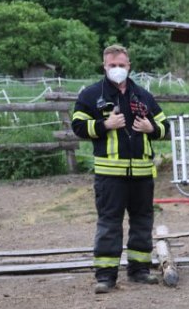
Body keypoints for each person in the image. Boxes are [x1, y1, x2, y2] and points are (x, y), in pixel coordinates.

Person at [71, 44, 168, 294]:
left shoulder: (143, 96)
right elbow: (78, 126)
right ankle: (105, 276)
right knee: (109, 224)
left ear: (129, 66)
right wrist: (105, 124)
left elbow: (165, 126)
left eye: (121, 65)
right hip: (110, 175)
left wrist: (152, 129)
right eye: (112, 65)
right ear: (104, 66)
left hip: (142, 174)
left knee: (142, 223)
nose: (117, 69)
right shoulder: (91, 95)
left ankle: (140, 270)